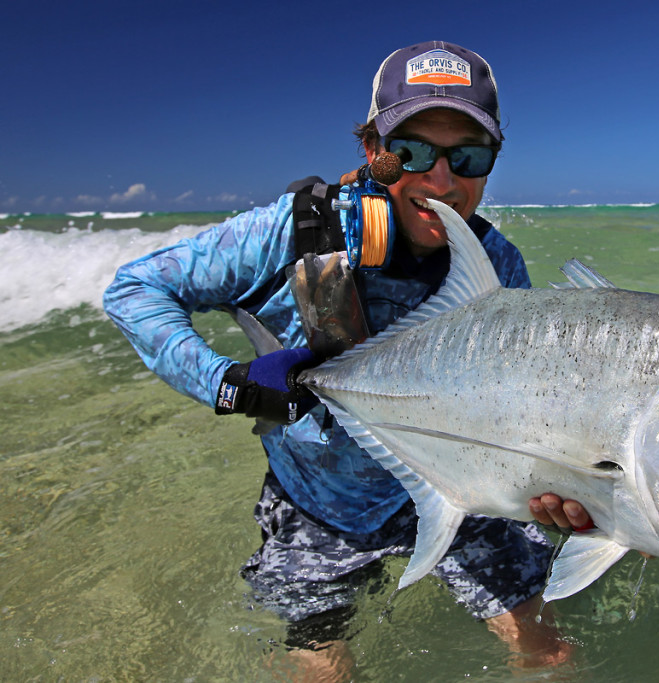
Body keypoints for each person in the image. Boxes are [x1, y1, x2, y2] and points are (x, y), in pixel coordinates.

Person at [104, 40, 591, 668]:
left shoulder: (497, 265)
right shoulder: (294, 232)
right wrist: (230, 383)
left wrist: (584, 490)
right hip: (320, 511)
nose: (441, 181)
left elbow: (521, 408)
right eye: (413, 151)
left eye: (468, 156)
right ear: (373, 152)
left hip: (453, 494)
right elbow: (136, 288)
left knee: (551, 656)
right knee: (322, 672)